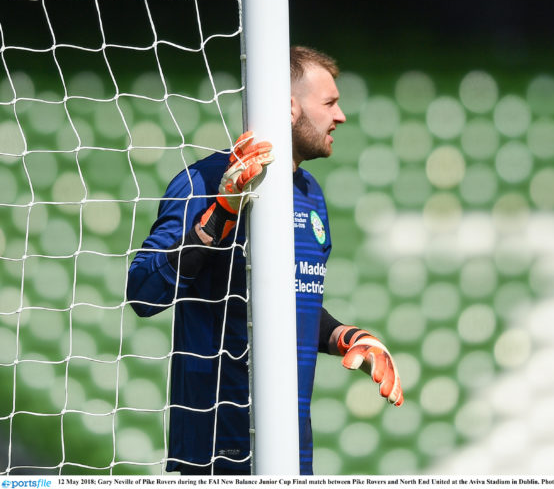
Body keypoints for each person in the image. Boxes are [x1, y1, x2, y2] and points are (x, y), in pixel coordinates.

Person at [126, 46, 403, 476]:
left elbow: (287, 303)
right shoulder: (205, 181)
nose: (341, 116)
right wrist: (222, 212)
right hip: (213, 450)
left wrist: (346, 336)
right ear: (289, 108)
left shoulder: (311, 194)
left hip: (292, 452)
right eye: (329, 103)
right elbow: (143, 292)